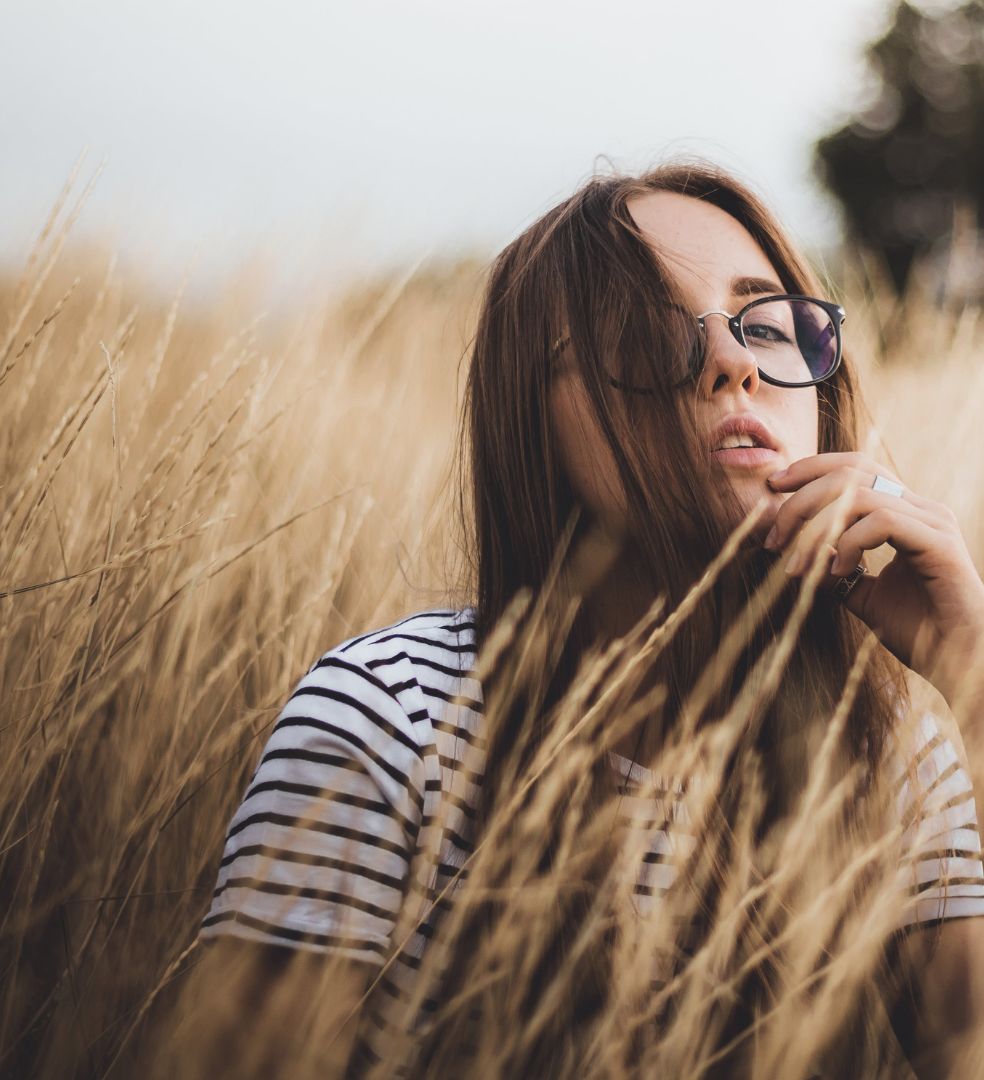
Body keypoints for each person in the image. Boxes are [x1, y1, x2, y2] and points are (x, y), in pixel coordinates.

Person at [171, 163, 984, 1078]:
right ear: (533, 420)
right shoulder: (391, 725)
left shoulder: (895, 739)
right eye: (638, 336)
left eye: (766, 322)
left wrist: (972, 677)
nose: (735, 363)